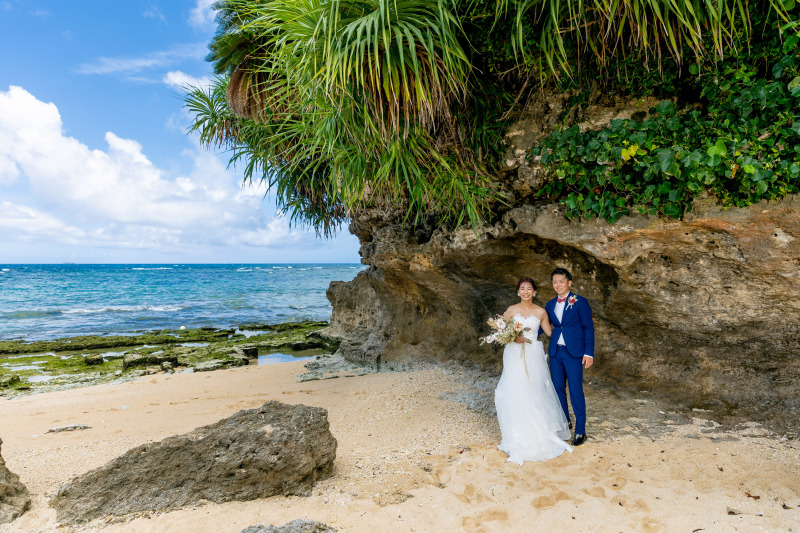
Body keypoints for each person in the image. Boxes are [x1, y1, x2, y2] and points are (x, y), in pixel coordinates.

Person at [494, 277, 572, 464]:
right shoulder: (511, 310)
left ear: (534, 292)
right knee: (513, 390)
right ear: (518, 291)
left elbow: (551, 333)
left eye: (529, 289)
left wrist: (571, 338)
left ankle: (538, 432)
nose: (526, 291)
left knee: (534, 390)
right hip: (514, 353)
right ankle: (517, 432)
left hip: (534, 354)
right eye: (522, 288)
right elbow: (500, 333)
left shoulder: (541, 312)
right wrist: (512, 337)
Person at [544, 267, 594, 447]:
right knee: (558, 390)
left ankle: (581, 430)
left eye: (561, 281)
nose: (558, 285)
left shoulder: (580, 302)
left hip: (574, 353)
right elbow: (543, 325)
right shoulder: (549, 304)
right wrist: (523, 336)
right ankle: (565, 422)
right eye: (555, 282)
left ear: (569, 282)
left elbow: (588, 328)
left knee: (575, 390)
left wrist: (588, 353)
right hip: (555, 352)